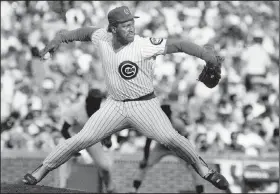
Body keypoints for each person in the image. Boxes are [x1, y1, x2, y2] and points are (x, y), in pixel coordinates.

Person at [21, 6, 229, 191]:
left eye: (132, 23)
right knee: (80, 139)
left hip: (144, 105)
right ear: (112, 28)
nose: (131, 28)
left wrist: (203, 54)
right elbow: (83, 33)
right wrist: (61, 37)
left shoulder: (143, 45)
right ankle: (40, 171)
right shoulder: (102, 37)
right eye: (125, 25)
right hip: (115, 106)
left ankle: (205, 171)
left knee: (171, 139)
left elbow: (180, 45)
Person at [59, 88, 116, 193]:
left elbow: (107, 127)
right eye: (93, 104)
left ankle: (110, 188)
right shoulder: (75, 110)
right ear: (87, 102)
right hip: (72, 136)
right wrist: (72, 147)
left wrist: (108, 139)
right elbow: (64, 130)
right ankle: (60, 188)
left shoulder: (103, 109)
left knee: (105, 166)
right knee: (61, 161)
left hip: (90, 138)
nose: (95, 107)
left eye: (97, 104)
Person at [132, 104, 189, 193]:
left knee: (193, 165)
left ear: (170, 115)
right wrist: (145, 158)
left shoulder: (178, 123)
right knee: (145, 164)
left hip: (177, 146)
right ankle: (134, 189)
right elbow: (148, 143)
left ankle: (200, 191)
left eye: (167, 115)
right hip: (161, 147)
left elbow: (186, 139)